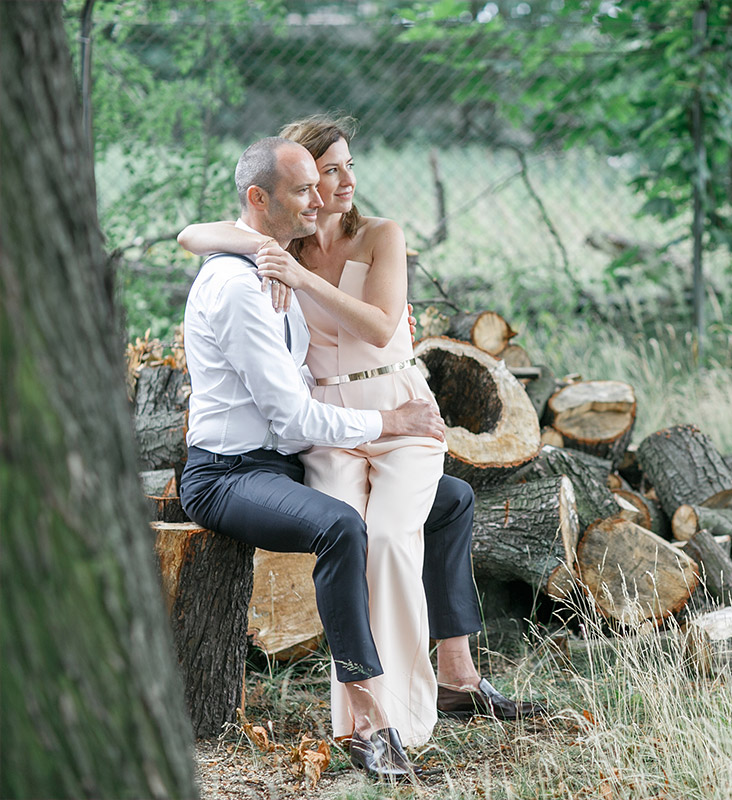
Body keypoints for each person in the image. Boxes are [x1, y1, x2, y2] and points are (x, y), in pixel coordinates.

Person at [178, 119, 539, 742]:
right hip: (285, 444)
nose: (333, 189)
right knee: (355, 532)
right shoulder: (268, 256)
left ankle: (451, 679)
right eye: (318, 179)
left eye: (343, 170)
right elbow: (201, 232)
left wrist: (286, 268)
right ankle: (370, 719)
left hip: (371, 413)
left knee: (442, 506)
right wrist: (256, 250)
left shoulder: (351, 239)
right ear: (274, 196)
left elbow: (376, 326)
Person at [179, 136, 439, 779]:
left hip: (280, 460)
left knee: (452, 498)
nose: (321, 197)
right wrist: (388, 420)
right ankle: (368, 715)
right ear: (260, 199)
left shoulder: (278, 258)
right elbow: (292, 417)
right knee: (341, 526)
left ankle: (454, 671)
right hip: (227, 474)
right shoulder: (238, 288)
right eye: (305, 189)